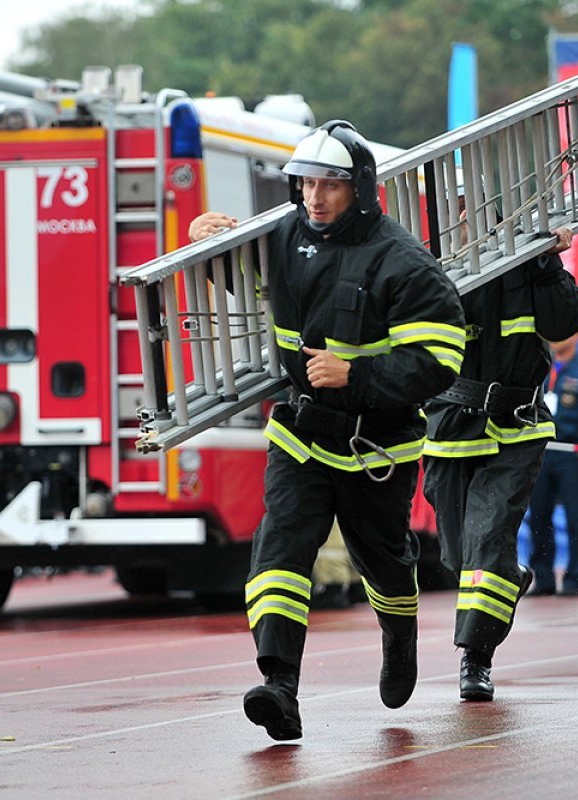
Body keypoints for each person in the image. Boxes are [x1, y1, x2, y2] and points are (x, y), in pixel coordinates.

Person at [188, 120, 465, 740]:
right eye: (306, 184)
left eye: (329, 186)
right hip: (299, 436)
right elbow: (238, 279)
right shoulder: (284, 236)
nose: (314, 198)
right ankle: (279, 684)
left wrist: (356, 374)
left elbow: (440, 360)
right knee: (280, 551)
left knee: (386, 565)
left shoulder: (406, 263)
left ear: (360, 187)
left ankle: (399, 637)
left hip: (378, 450)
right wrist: (206, 242)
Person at [422, 193, 578, 700]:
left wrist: (548, 264)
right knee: (458, 554)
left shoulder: (529, 257)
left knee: (488, 535)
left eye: (472, 206)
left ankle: (476, 658)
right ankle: (508, 575)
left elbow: (565, 325)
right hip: (451, 423)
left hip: (517, 425)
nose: (464, 217)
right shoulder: (427, 266)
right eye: (455, 209)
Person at [524, 332, 578, 598]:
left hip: (572, 456)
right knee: (538, 518)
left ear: (576, 336)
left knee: (577, 520)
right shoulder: (539, 368)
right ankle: (543, 578)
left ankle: (574, 579)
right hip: (541, 453)